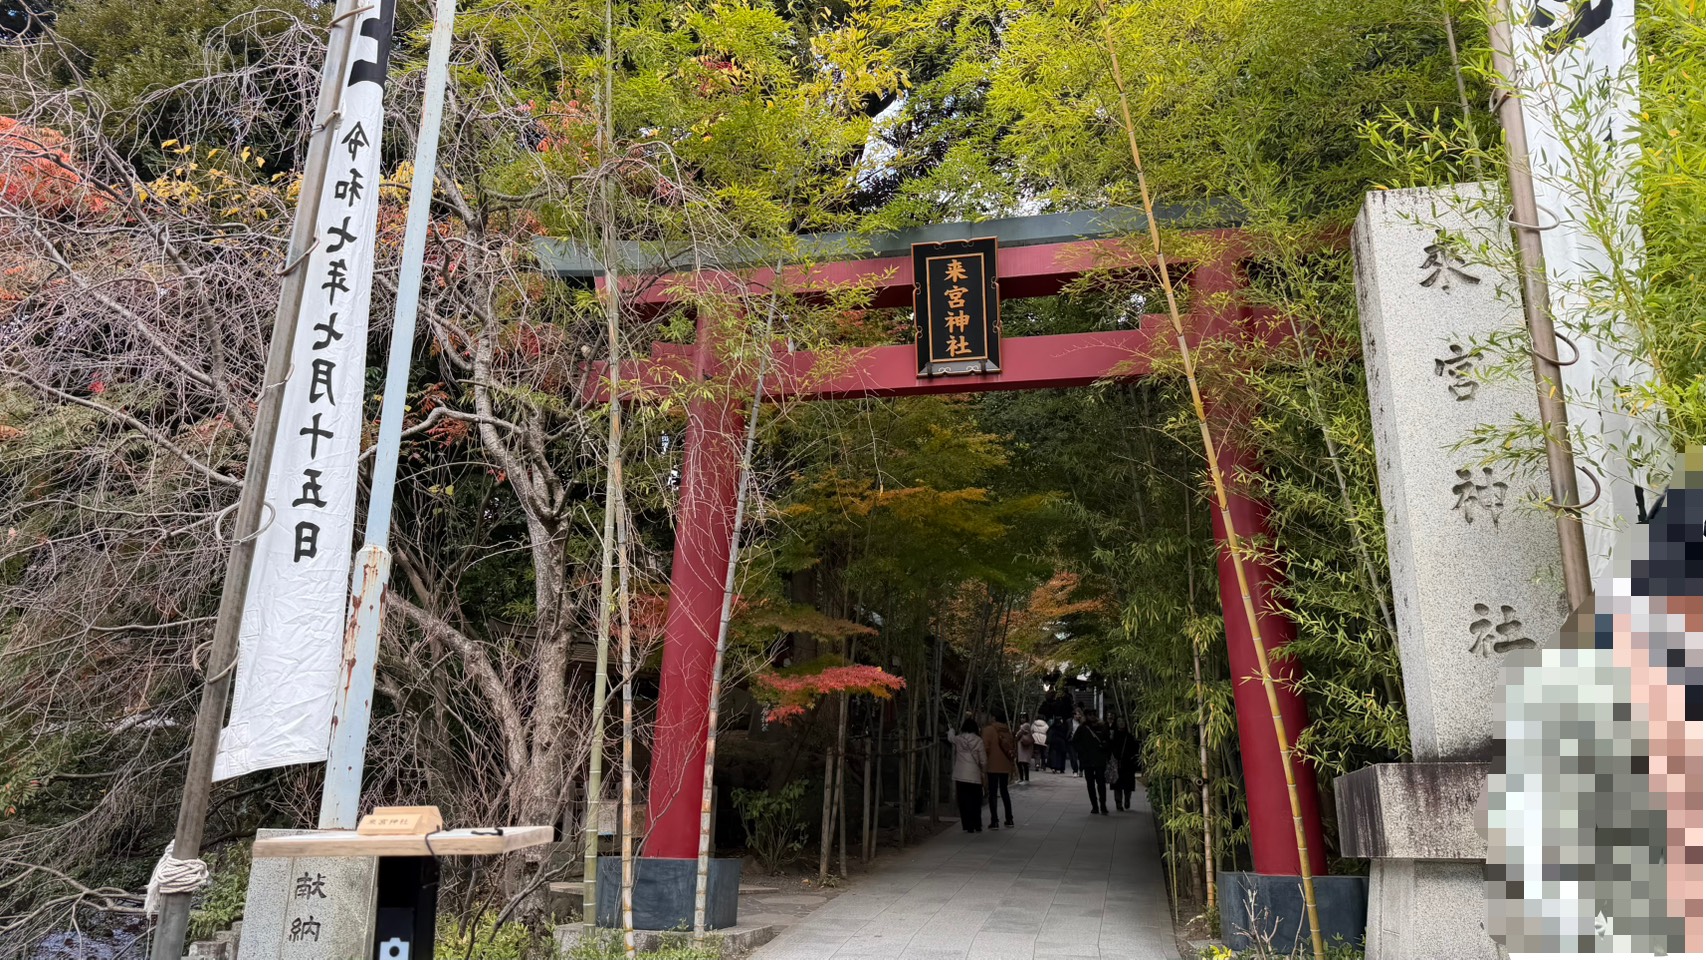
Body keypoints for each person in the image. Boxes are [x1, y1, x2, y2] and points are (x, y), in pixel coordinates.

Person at [948, 715, 987, 833]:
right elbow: (983, 760)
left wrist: (951, 729)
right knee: (976, 801)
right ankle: (977, 824)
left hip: (961, 775)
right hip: (974, 775)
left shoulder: (959, 739)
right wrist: (984, 772)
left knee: (964, 801)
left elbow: (950, 738)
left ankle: (967, 825)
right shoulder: (978, 740)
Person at [981, 714, 1017, 828]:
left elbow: (985, 748)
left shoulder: (988, 730)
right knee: (1004, 790)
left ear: (993, 717)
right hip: (1005, 765)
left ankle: (994, 820)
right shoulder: (1008, 731)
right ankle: (1009, 818)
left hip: (992, 765)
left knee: (992, 792)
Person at [1073, 712, 1111, 815]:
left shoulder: (1102, 727)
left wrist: (1104, 747)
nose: (1092, 716)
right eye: (1089, 714)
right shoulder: (1082, 728)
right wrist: (1082, 752)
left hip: (1099, 759)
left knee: (1101, 783)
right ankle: (1094, 806)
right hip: (1087, 760)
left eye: (1093, 714)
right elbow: (1075, 741)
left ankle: (1103, 805)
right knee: (1090, 784)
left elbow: (1108, 741)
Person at [1108, 716, 1141, 811]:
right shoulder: (1113, 735)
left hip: (1128, 763)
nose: (1121, 723)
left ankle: (1127, 799)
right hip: (1116, 762)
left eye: (1122, 721)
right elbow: (1110, 748)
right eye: (1119, 721)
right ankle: (1118, 802)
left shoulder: (1129, 736)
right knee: (1117, 784)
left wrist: (1132, 759)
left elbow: (1135, 749)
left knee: (1127, 784)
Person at [1013, 713, 1035, 782]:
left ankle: (1023, 778)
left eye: (1023, 718)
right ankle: (1023, 778)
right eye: (1021, 718)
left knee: (1022, 762)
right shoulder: (1025, 725)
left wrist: (1016, 735)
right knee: (1021, 762)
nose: (1022, 719)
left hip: (1024, 746)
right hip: (1023, 746)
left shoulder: (1026, 725)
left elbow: (1019, 733)